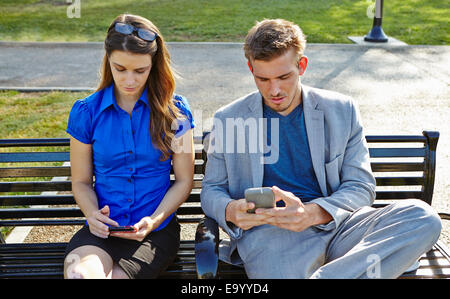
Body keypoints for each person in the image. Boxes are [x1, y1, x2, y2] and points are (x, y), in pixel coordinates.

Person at [200, 19, 442, 278]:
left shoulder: (341, 110)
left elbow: (360, 186)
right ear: (250, 69)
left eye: (284, 76)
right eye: (263, 79)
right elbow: (212, 189)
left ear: (301, 66)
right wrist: (229, 210)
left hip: (339, 226)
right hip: (271, 234)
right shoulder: (229, 118)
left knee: (423, 217)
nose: (275, 90)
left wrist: (312, 213)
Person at [63, 14, 195, 279]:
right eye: (120, 69)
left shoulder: (176, 112)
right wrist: (92, 214)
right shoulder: (86, 112)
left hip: (154, 232)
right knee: (79, 274)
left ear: (154, 65)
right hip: (101, 231)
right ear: (108, 62)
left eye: (140, 71)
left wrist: (155, 220)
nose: (130, 80)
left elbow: (184, 181)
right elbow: (81, 181)